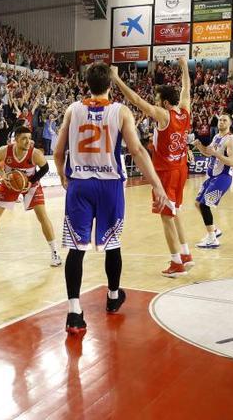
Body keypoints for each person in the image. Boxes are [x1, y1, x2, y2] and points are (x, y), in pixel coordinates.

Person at [53, 63, 168, 335]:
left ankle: (73, 313)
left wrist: (61, 175)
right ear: (110, 85)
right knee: (112, 243)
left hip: (79, 185)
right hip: (109, 186)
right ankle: (114, 297)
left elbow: (58, 152)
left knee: (76, 249)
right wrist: (157, 184)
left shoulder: (72, 109)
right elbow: (137, 150)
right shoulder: (120, 111)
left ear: (86, 83)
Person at [113, 56, 193, 278]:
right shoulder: (185, 110)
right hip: (180, 169)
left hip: (166, 172)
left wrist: (117, 79)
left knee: (166, 217)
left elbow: (137, 101)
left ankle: (176, 263)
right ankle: (186, 254)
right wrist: (184, 66)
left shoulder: (163, 115)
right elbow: (186, 87)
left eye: (158, 100)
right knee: (175, 212)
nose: (155, 103)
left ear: (165, 103)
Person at [0, 126, 60, 267]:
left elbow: (45, 168)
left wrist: (30, 181)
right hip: (11, 183)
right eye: (24, 139)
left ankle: (55, 252)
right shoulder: (5, 150)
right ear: (16, 140)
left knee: (42, 216)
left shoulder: (35, 153)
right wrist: (2, 175)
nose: (28, 141)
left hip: (30, 184)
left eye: (29, 138)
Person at [191, 114, 233, 249]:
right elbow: (208, 152)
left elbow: (232, 162)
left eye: (225, 120)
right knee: (198, 203)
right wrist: (199, 146)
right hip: (212, 177)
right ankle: (214, 230)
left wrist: (216, 153)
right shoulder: (217, 137)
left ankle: (212, 239)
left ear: (230, 124)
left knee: (205, 205)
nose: (221, 122)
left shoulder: (231, 140)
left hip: (223, 177)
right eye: (220, 120)